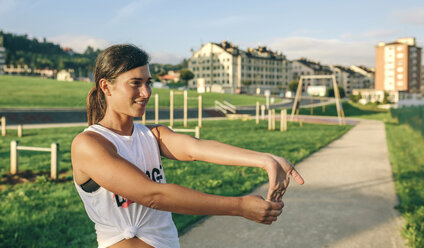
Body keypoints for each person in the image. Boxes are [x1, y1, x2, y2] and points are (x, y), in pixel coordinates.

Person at [71, 44, 304, 248]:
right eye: (136, 83)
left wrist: (266, 159)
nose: (146, 92)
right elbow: (153, 195)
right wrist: (240, 206)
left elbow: (196, 148)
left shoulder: (152, 134)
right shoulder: (89, 144)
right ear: (106, 86)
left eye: (148, 83)